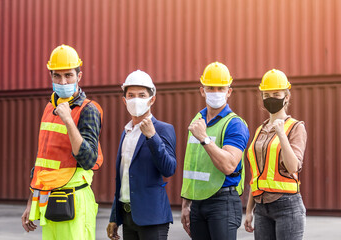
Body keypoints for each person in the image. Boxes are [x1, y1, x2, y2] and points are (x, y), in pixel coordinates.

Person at [21, 44, 104, 240]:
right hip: (49, 203)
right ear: (51, 76)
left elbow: (88, 159)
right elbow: (42, 161)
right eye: (57, 76)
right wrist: (31, 201)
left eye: (68, 75)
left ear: (79, 76)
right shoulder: (49, 108)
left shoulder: (88, 110)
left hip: (74, 201)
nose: (63, 81)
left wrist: (68, 120)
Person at [180, 62, 250, 240]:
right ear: (202, 90)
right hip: (197, 203)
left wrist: (204, 138)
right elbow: (193, 165)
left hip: (223, 202)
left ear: (229, 91)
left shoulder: (235, 124)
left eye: (221, 88)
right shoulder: (198, 119)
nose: (216, 92)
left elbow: (229, 165)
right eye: (211, 88)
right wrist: (186, 203)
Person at [106, 70, 177, 240]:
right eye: (131, 95)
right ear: (124, 100)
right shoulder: (126, 132)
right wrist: (115, 217)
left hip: (152, 218)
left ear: (152, 99)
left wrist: (152, 137)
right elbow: (124, 177)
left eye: (141, 95)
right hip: (128, 217)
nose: (136, 99)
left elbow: (169, 168)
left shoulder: (162, 129)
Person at [244, 69, 307, 240]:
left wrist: (281, 134)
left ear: (286, 96)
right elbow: (256, 175)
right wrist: (249, 210)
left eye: (276, 93)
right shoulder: (259, 130)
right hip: (261, 207)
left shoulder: (296, 127)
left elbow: (293, 167)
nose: (271, 97)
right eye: (267, 94)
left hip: (288, 206)